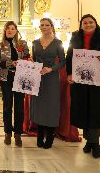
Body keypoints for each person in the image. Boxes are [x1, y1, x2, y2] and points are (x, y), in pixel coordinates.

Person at [66, 14, 100, 158]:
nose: (88, 25)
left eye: (90, 22)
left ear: (95, 23)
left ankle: (95, 144)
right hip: (80, 80)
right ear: (81, 25)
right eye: (85, 23)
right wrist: (69, 73)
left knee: (96, 110)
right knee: (84, 110)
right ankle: (90, 141)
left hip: (99, 81)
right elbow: (69, 56)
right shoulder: (75, 37)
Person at [30, 18, 65, 149]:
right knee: (39, 105)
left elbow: (63, 62)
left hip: (51, 78)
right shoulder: (34, 43)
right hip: (38, 77)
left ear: (51, 26)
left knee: (51, 106)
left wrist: (50, 69)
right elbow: (34, 60)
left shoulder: (58, 43)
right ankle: (39, 136)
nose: (44, 27)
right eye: (42, 25)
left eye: (47, 25)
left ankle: (50, 137)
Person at [0, 21, 30, 147]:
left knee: (19, 107)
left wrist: (25, 60)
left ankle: (18, 134)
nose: (10, 30)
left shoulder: (22, 43)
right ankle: (8, 133)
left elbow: (27, 57)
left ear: (16, 31)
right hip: (6, 78)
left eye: (13, 28)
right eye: (8, 28)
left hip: (20, 78)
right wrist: (11, 63)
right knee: (7, 106)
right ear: (5, 31)